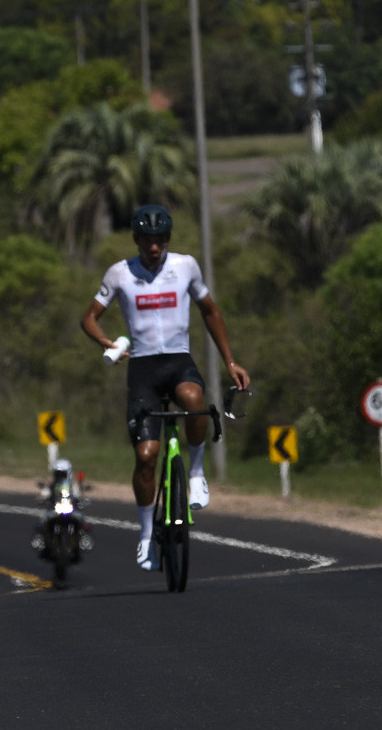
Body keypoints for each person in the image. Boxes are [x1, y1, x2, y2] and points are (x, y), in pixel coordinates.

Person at [80, 203, 251, 571]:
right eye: (146, 240)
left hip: (178, 361)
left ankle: (197, 473)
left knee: (193, 399)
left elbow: (210, 311)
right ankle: (144, 536)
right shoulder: (120, 273)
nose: (153, 247)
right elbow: (89, 317)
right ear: (137, 240)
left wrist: (230, 362)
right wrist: (107, 343)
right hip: (142, 368)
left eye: (159, 240)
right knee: (146, 457)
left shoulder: (185, 266)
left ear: (167, 239)